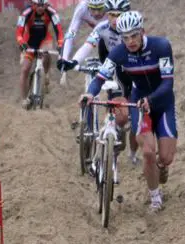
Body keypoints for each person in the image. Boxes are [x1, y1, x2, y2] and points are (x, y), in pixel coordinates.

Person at [80, 11, 175, 212]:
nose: (130, 41)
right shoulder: (119, 53)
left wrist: (151, 99)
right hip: (139, 103)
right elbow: (100, 77)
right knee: (148, 151)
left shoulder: (162, 46)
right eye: (125, 37)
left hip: (162, 102)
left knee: (165, 158)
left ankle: (162, 166)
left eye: (133, 35)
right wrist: (90, 93)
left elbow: (168, 83)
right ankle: (155, 197)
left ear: (142, 31)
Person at [59, 0, 138, 163]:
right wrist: (73, 61)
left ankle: (129, 145)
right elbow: (88, 44)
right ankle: (111, 129)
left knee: (132, 116)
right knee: (116, 105)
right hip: (111, 64)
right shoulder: (101, 26)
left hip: (130, 70)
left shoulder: (133, 32)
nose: (114, 19)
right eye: (111, 15)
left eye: (118, 15)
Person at [15, 0, 63, 107]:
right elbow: (19, 31)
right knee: (25, 69)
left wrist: (60, 44)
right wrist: (21, 42)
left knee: (46, 52)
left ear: (46, 5)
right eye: (38, 5)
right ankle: (24, 99)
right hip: (30, 41)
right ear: (33, 4)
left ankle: (45, 74)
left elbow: (59, 31)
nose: (41, 8)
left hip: (44, 39)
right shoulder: (26, 12)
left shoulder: (52, 12)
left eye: (43, 5)